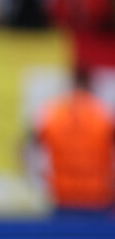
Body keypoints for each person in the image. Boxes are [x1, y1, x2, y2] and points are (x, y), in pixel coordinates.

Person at [35, 67, 115, 215]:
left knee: (64, 236)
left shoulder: (52, 113)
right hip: (98, 196)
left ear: (71, 82)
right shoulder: (105, 113)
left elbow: (27, 145)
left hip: (62, 195)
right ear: (91, 83)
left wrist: (39, 179)